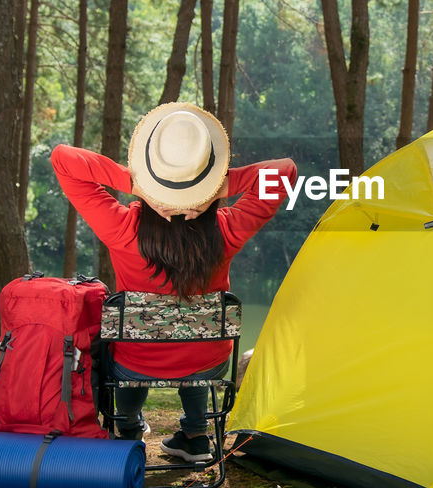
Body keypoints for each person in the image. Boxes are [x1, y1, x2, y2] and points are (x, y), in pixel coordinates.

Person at [51, 102, 295, 461]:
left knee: (125, 348)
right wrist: (219, 187)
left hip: (134, 361)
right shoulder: (226, 231)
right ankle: (196, 435)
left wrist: (135, 184)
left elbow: (62, 159)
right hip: (207, 361)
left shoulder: (122, 229)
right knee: (193, 354)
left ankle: (128, 425)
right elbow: (285, 171)